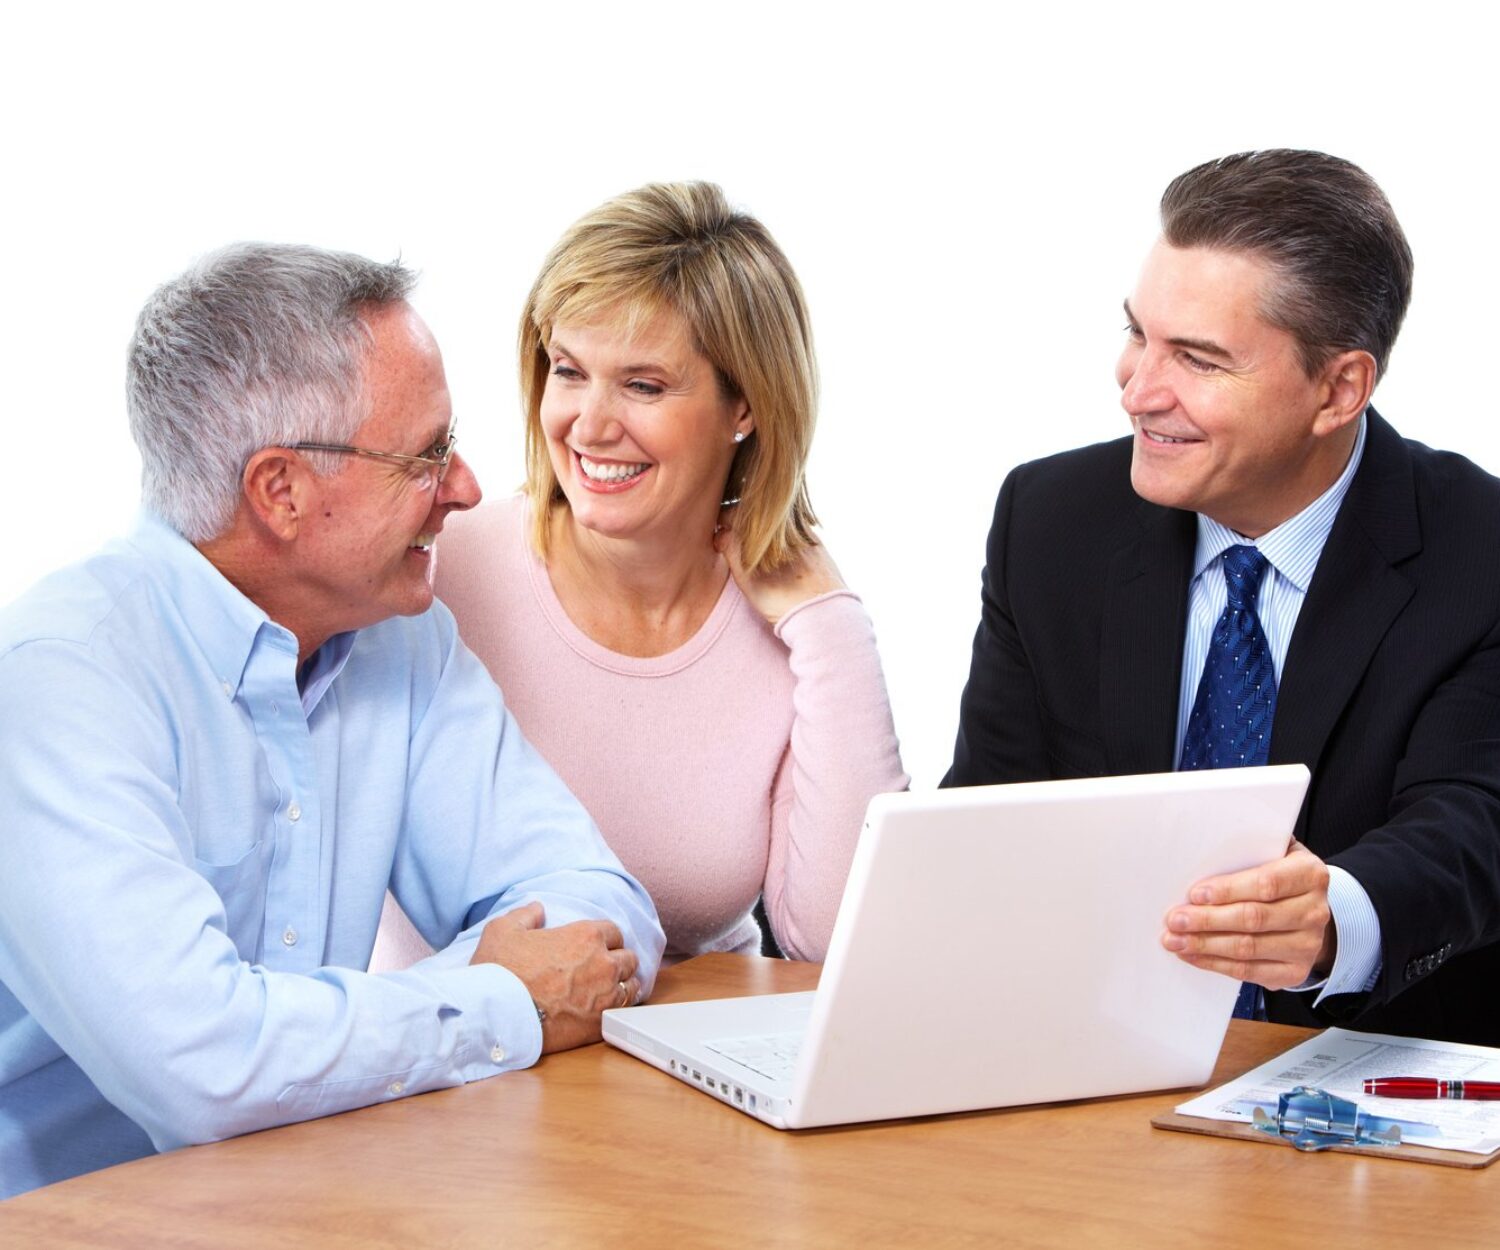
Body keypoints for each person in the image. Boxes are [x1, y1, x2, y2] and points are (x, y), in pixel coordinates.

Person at [0, 243, 665, 1200]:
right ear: (280, 492)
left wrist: (336, 1037)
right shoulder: (59, 683)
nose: (468, 487)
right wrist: (500, 996)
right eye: (427, 454)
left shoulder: (400, 636)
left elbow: (599, 909)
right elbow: (204, 1074)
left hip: (311, 1203)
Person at [946, 149, 1500, 1045]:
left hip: (1373, 1075)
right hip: (1089, 1066)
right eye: (1138, 334)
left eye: (1198, 359)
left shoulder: (1478, 549)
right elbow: (989, 817)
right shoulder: (1049, 522)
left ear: (1339, 389)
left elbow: (1473, 820)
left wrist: (1333, 916)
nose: (1137, 388)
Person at [375, 182, 907, 968]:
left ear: (746, 406)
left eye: (644, 385)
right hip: (459, 1066)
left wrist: (830, 624)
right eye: (568, 370)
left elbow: (834, 942)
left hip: (685, 1069)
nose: (589, 426)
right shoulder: (441, 577)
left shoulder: (795, 629)